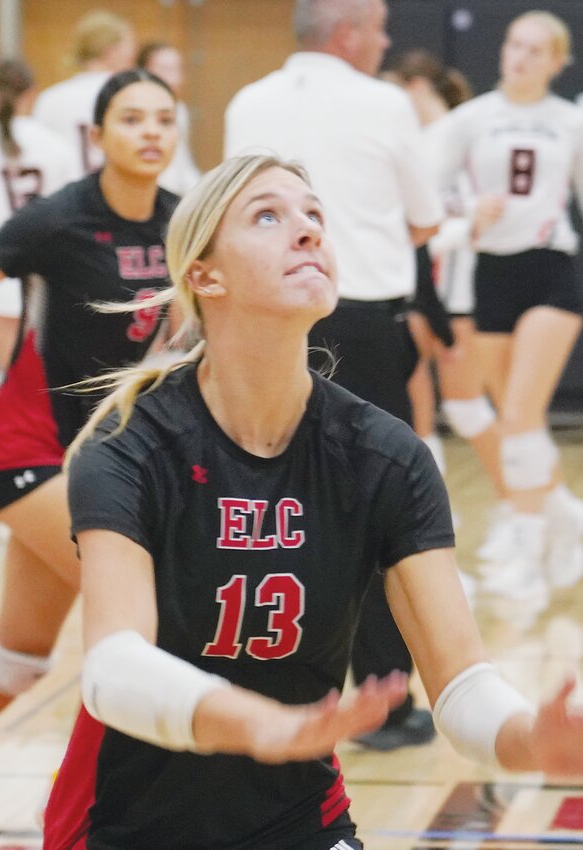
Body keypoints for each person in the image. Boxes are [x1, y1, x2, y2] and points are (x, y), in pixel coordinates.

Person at [42, 153, 583, 850]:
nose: (306, 231)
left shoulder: (384, 456)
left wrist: (529, 740)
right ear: (204, 275)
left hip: (298, 821)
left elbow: (460, 686)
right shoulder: (130, 443)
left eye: (314, 216)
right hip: (124, 824)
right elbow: (112, 668)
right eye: (268, 216)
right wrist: (257, 723)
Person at [0, 69, 179, 846]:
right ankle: (82, 824)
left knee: (18, 658)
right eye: (131, 118)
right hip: (24, 453)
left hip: (103, 461)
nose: (150, 132)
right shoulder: (57, 219)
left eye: (164, 119)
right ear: (96, 136)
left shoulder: (184, 222)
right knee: (151, 624)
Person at [224, 0, 443, 750]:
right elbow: (424, 218)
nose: (385, 43)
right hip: (359, 319)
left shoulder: (246, 101)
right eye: (379, 29)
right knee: (377, 506)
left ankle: (266, 676)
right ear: (348, 33)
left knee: (265, 499)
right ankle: (388, 700)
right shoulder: (383, 102)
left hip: (258, 322)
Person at [432, 11, 583, 605]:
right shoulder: (472, 119)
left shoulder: (568, 122)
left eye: (535, 49)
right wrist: (470, 215)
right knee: (517, 418)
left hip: (550, 269)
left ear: (556, 61)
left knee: (519, 412)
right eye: (514, 44)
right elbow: (432, 191)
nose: (519, 56)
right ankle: (565, 519)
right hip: (490, 274)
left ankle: (524, 548)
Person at [387, 51, 509, 563]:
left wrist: (465, 229)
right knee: (417, 410)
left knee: (469, 406)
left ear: (416, 87)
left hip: (470, 298)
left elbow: (488, 223)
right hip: (422, 294)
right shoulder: (414, 148)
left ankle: (526, 507)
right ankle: (436, 515)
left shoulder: (472, 139)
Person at [0, 58, 77, 373]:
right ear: (32, 93)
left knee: (11, 377)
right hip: (53, 275)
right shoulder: (58, 147)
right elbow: (73, 217)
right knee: (50, 376)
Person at [33, 10, 136, 175]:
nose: (133, 54)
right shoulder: (131, 94)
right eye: (129, 45)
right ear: (111, 51)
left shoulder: (50, 99)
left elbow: (39, 156)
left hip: (63, 196)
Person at [137, 41, 202, 195]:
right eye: (165, 69)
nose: (174, 78)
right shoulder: (133, 112)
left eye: (177, 69)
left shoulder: (179, 110)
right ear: (144, 71)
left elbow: (182, 162)